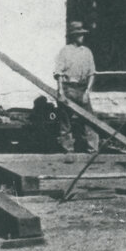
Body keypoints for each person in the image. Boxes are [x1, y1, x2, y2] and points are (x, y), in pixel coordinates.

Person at [54, 21, 99, 153]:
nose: (82, 37)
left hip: (82, 89)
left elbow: (92, 74)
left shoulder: (87, 52)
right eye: (79, 35)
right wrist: (61, 91)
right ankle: (67, 148)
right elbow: (59, 73)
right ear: (73, 36)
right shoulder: (65, 51)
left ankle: (92, 148)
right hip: (68, 88)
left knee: (89, 119)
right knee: (65, 121)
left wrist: (87, 92)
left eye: (82, 34)